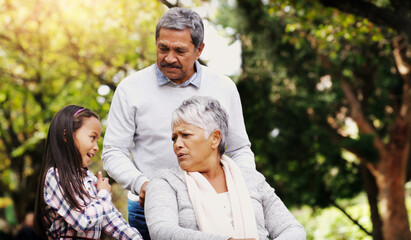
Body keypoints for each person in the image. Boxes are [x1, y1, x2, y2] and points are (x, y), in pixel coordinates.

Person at [102, 7, 255, 239]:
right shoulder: (130, 89)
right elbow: (113, 151)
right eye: (163, 48)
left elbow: (239, 148)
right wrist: (142, 184)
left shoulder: (223, 87)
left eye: (180, 50)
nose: (169, 57)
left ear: (199, 50)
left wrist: (242, 190)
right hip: (149, 209)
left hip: (215, 206)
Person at [144, 96, 306, 240]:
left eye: (185, 135)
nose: (177, 144)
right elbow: (162, 232)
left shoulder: (251, 179)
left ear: (215, 138)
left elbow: (292, 229)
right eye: (174, 138)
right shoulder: (165, 182)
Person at [34, 105, 142, 240]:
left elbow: (112, 220)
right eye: (92, 137)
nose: (96, 147)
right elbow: (83, 221)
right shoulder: (55, 177)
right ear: (66, 136)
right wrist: (103, 194)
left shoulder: (90, 179)